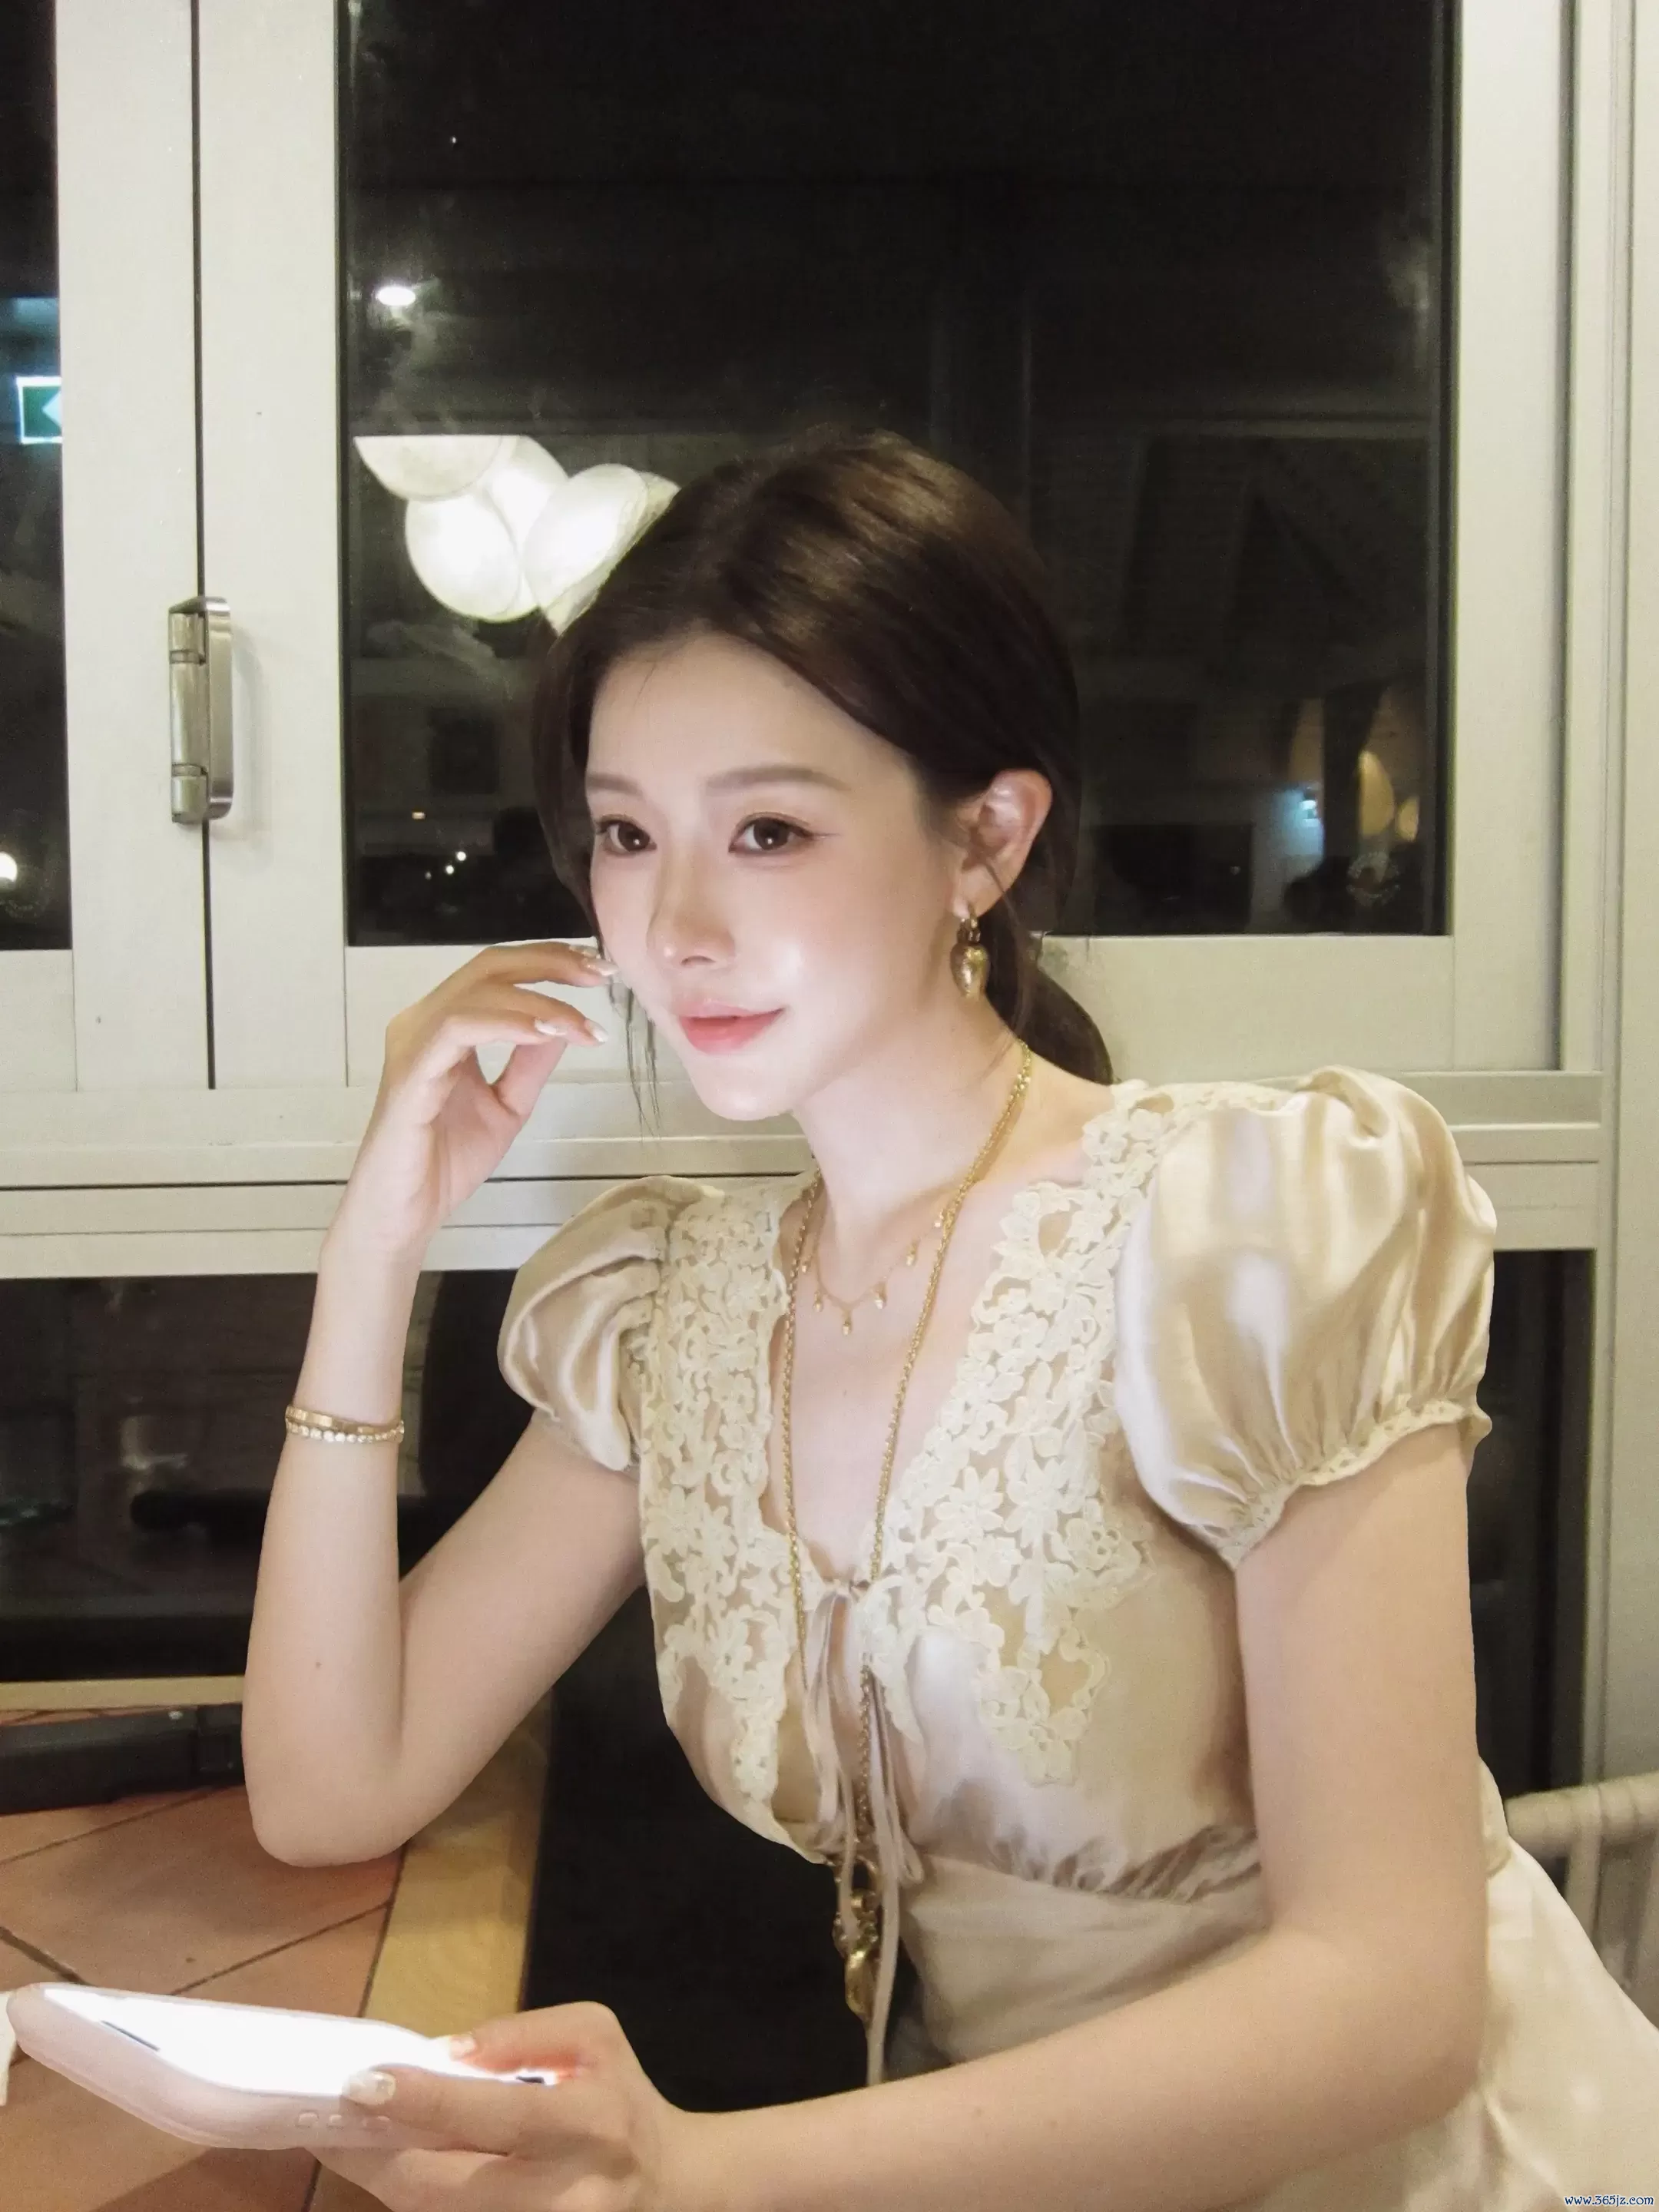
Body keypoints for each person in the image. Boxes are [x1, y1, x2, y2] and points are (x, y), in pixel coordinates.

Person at [242, 429, 1659, 2210]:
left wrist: (694, 2174)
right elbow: (330, 1786)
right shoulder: (683, 1313)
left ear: (984, 837)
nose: (676, 925)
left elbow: (1396, 2003)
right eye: (625, 834)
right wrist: (374, 1244)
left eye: (768, 830)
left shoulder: (1248, 1236)